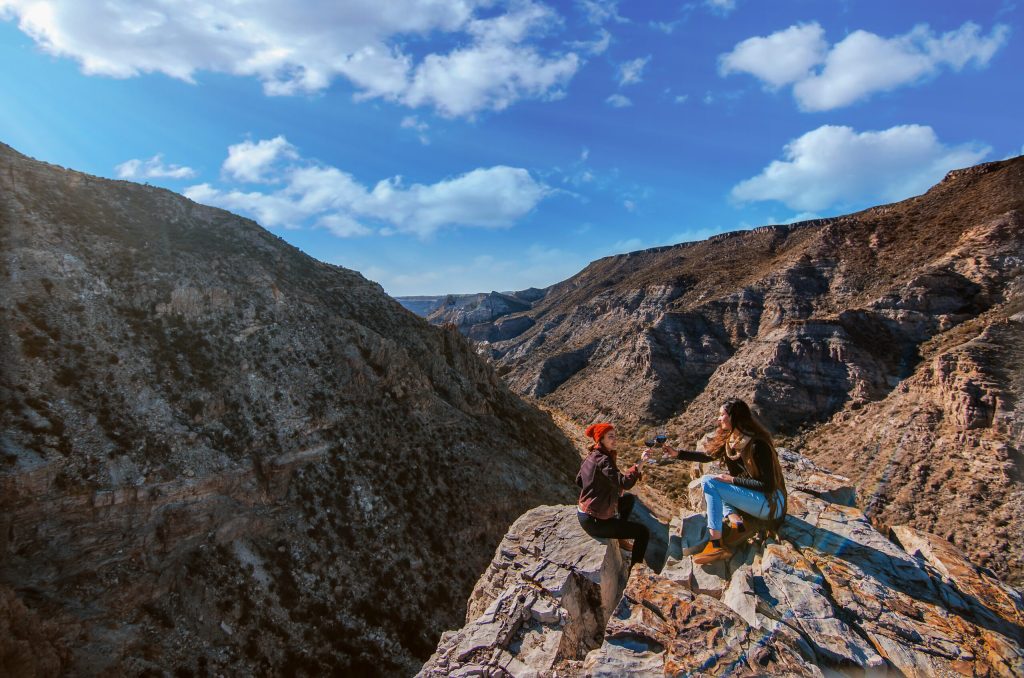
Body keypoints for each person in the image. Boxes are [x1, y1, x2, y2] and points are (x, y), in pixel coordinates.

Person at [660, 398, 788, 564]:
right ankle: (737, 522)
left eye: (722, 415)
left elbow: (768, 485)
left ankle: (716, 544)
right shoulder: (732, 440)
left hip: (772, 504)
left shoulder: (757, 445)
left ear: (733, 417)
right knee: (716, 484)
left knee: (710, 482)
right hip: (756, 500)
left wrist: (732, 480)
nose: (718, 419)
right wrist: (677, 454)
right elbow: (707, 456)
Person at [576, 422, 652, 570]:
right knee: (642, 532)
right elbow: (625, 483)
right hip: (594, 521)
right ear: (601, 439)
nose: (615, 439)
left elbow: (579, 480)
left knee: (629, 500)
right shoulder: (603, 459)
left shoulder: (593, 455)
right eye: (610, 436)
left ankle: (620, 538)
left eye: (615, 436)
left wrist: (605, 490)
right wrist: (640, 463)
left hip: (586, 513)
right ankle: (635, 573)